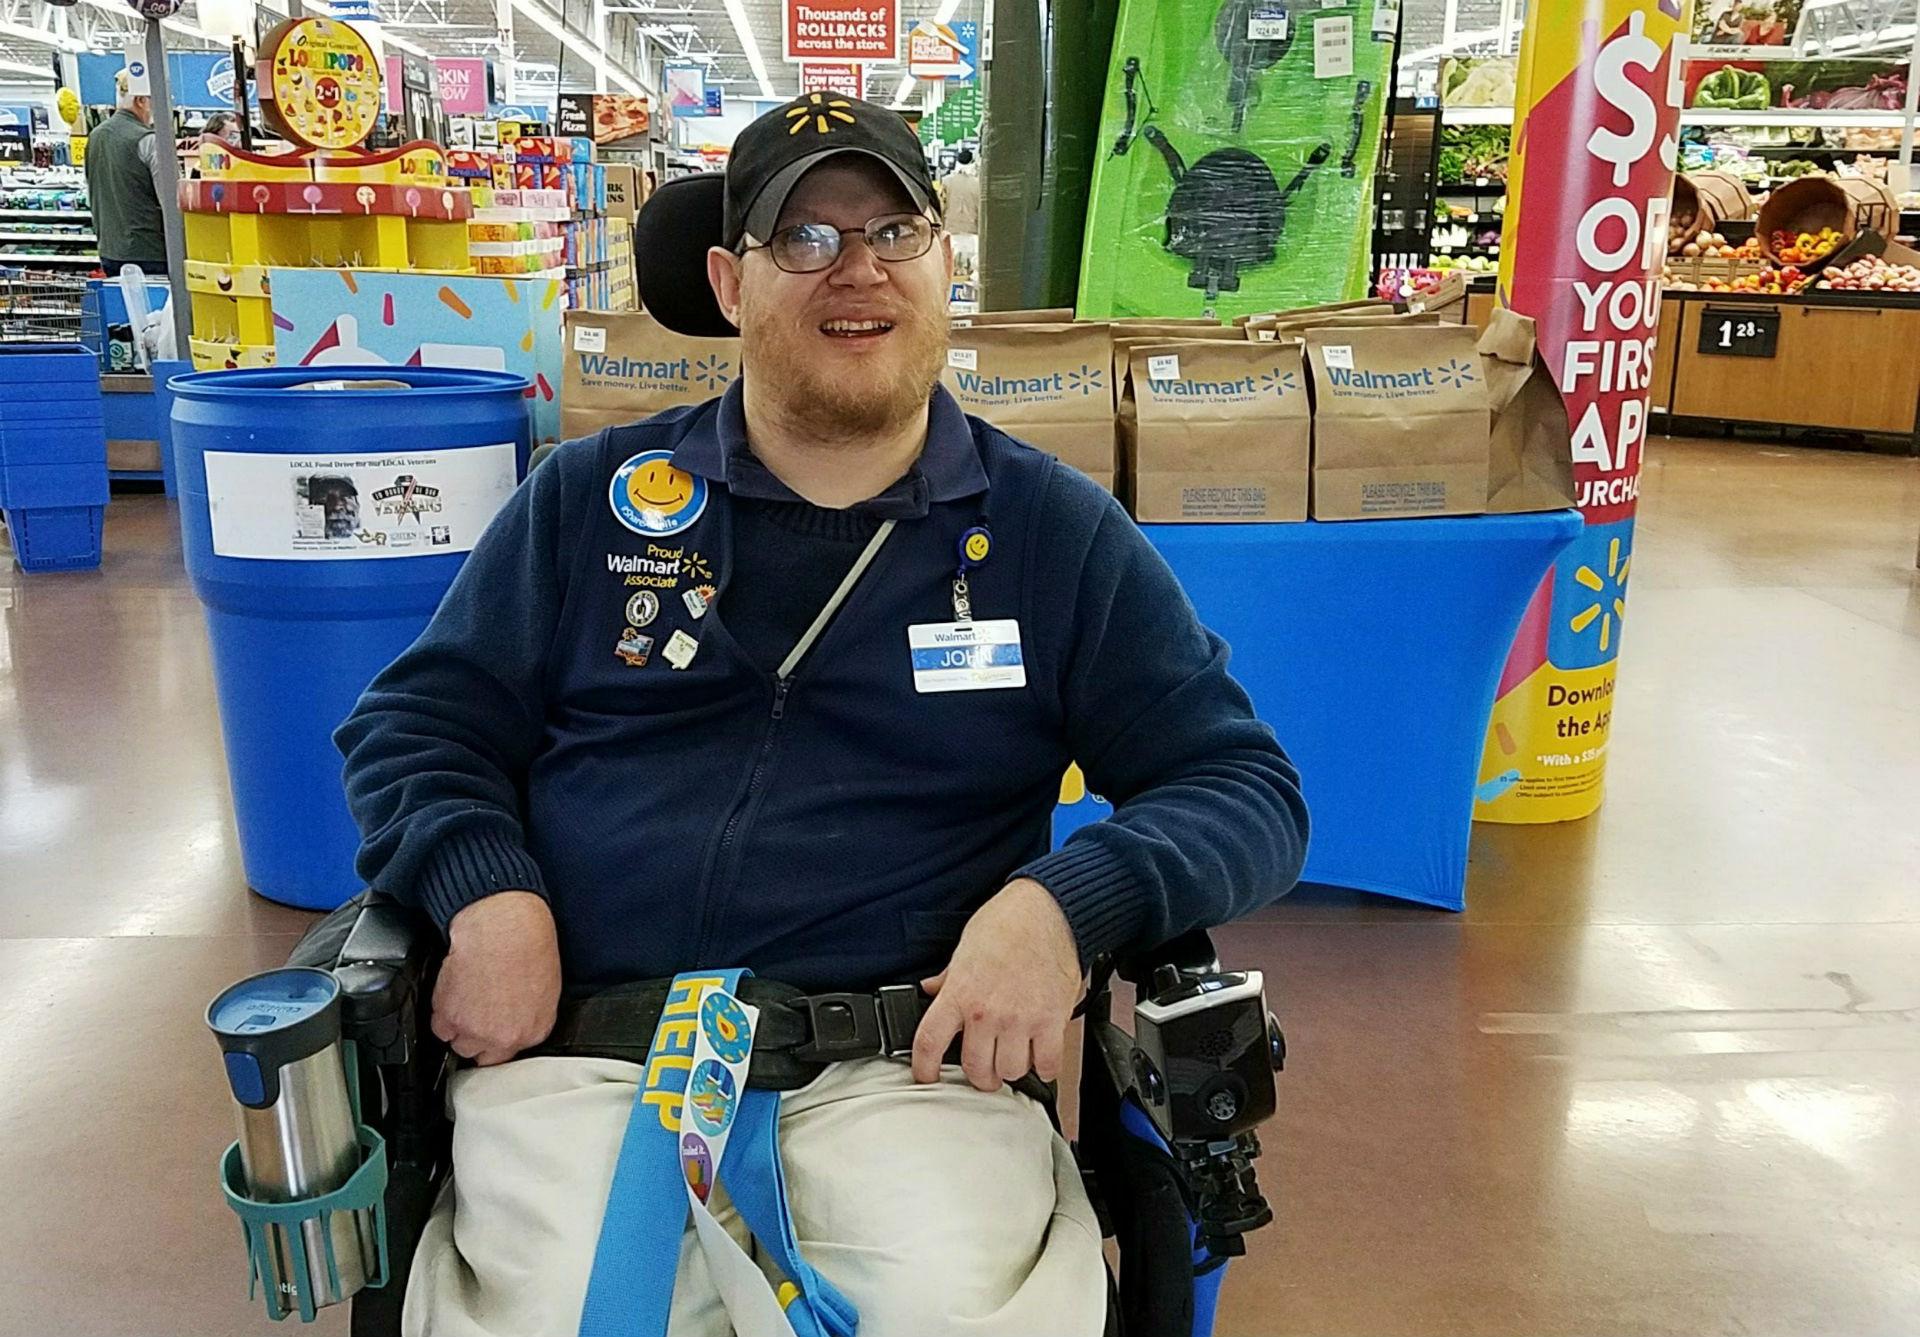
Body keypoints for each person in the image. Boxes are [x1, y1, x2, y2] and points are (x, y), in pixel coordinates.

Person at [336, 93, 1308, 1337]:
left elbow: (1243, 786)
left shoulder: (1052, 534)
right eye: (804, 239)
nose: (858, 272)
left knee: (951, 1314)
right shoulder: (593, 501)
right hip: (588, 1052)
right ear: (730, 282)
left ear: (944, 262)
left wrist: (1068, 902)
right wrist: (484, 886)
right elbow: (419, 724)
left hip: (910, 1071)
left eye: (894, 231)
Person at [84, 71, 170, 278]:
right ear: (141, 100)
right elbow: (169, 202)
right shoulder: (148, 140)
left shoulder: (95, 136)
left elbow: (92, 191)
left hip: (110, 251)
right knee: (158, 310)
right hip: (150, 253)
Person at [939, 145, 980, 237]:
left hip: (950, 228)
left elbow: (941, 206)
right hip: (972, 230)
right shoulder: (978, 183)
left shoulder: (946, 181)